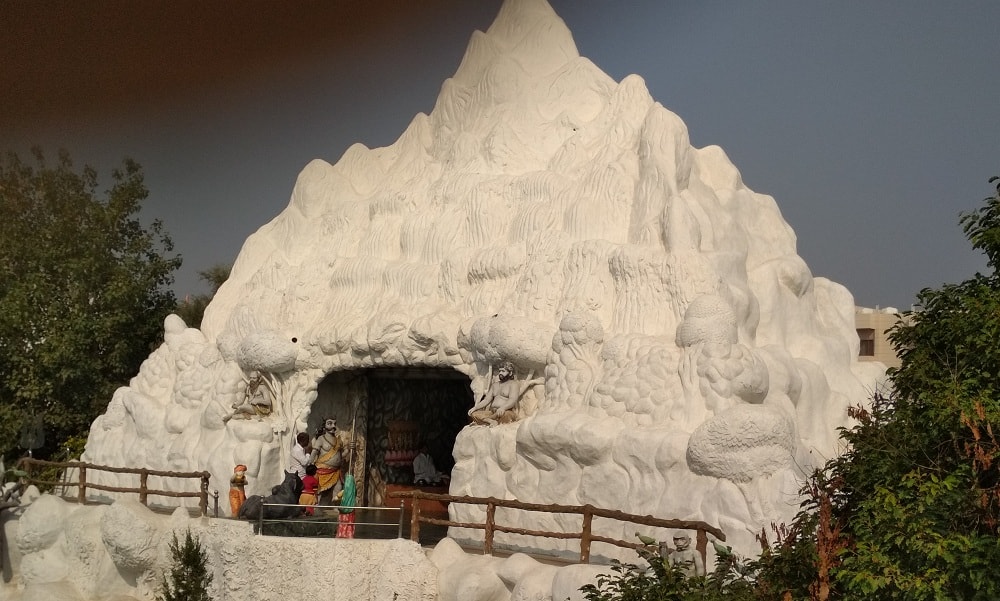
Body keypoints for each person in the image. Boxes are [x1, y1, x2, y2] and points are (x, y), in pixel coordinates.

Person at [469, 361, 543, 425]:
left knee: (506, 415)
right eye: (500, 371)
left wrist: (503, 408)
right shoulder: (495, 385)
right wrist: (475, 407)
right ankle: (490, 420)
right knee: (474, 414)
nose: (500, 373)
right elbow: (486, 400)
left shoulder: (513, 384)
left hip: (506, 411)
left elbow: (513, 400)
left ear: (510, 373)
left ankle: (488, 420)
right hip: (492, 412)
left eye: (503, 371)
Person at [311, 418, 346, 503]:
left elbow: (341, 455)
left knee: (338, 488)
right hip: (322, 470)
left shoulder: (338, 440)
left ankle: (335, 507)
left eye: (334, 423)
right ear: (324, 426)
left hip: (336, 471)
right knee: (320, 491)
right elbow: (314, 453)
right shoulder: (321, 439)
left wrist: (349, 449)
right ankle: (316, 507)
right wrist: (310, 465)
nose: (333, 426)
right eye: (330, 424)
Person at [336, 473, 357, 538]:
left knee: (343, 523)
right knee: (350, 523)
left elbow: (335, 498)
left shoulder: (343, 492)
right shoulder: (354, 492)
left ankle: (341, 534)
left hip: (343, 511)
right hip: (351, 511)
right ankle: (349, 534)